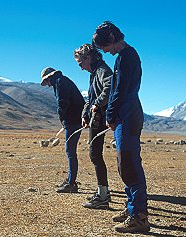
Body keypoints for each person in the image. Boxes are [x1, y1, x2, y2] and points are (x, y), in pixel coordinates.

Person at [92, 21, 150, 233]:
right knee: (124, 164)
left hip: (127, 115)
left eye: (105, 47)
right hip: (125, 115)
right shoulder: (123, 57)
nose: (105, 52)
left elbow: (120, 90)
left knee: (130, 164)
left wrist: (109, 114)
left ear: (113, 39)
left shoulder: (127, 58)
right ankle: (132, 207)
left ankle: (139, 216)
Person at [73, 44, 113, 209]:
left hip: (101, 118)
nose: (81, 68)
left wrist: (97, 105)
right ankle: (103, 191)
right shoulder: (95, 73)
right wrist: (84, 114)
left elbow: (109, 88)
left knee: (95, 154)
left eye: (81, 63)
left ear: (88, 58)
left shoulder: (103, 70)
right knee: (95, 154)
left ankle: (103, 196)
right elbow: (90, 97)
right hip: (95, 118)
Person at [40, 67, 85, 193]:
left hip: (73, 120)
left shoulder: (59, 82)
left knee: (70, 151)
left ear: (49, 78)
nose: (48, 85)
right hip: (75, 119)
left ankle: (71, 183)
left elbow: (62, 102)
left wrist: (62, 118)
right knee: (70, 150)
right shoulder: (63, 80)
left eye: (46, 82)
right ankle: (70, 180)